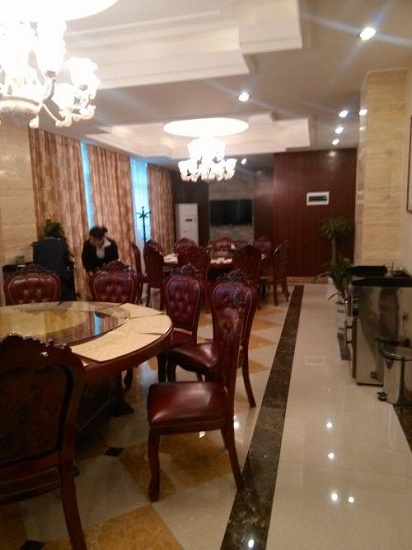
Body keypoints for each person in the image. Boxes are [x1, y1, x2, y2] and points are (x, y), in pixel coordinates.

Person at [33, 224, 76, 301]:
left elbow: (36, 264)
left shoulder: (37, 246)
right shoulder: (62, 246)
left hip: (42, 284)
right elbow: (66, 264)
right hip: (60, 283)